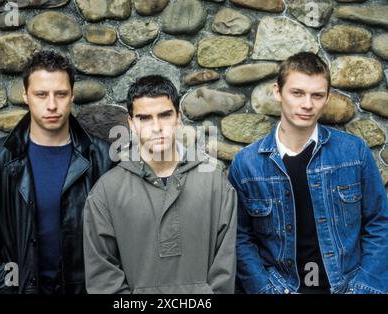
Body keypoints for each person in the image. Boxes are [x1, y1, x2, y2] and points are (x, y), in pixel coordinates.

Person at [229, 52, 388, 294]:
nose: (307, 104)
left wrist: (364, 286)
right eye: (297, 93)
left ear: (326, 99)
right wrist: (263, 289)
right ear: (277, 92)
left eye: (317, 95)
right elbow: (240, 238)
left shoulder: (353, 153)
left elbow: (379, 223)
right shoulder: (247, 164)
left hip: (348, 286)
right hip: (280, 288)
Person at [0, 50, 113, 294]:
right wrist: (5, 286)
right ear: (25, 96)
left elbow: (119, 232)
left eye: (60, 94)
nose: (51, 105)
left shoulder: (102, 157)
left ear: (72, 96)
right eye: (41, 95)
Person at [83, 75, 237, 294]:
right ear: (131, 123)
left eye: (164, 115)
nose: (156, 127)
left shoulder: (215, 183)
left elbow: (225, 268)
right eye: (144, 118)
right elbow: (103, 276)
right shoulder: (106, 192)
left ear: (178, 118)